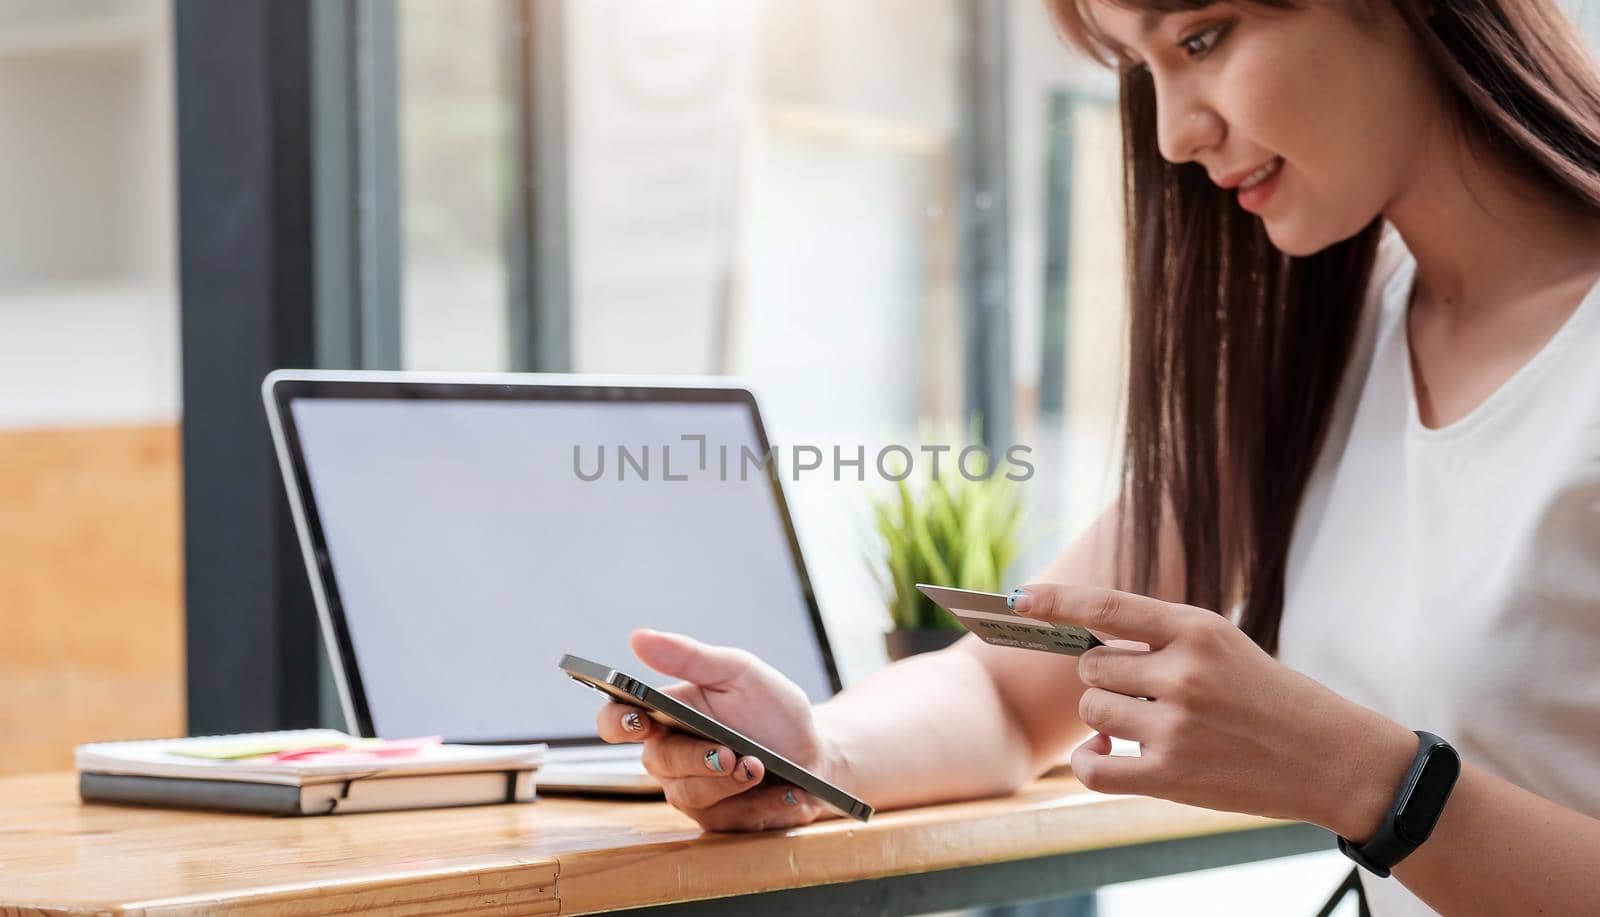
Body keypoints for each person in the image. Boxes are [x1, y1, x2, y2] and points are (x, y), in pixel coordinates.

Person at [594, 2, 1600, 913]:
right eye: (1139, 67)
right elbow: (1006, 690)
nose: (1173, 135)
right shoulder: (1329, 345)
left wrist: (1369, 780)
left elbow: (1371, 779)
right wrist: (812, 749)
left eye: (1201, 38)